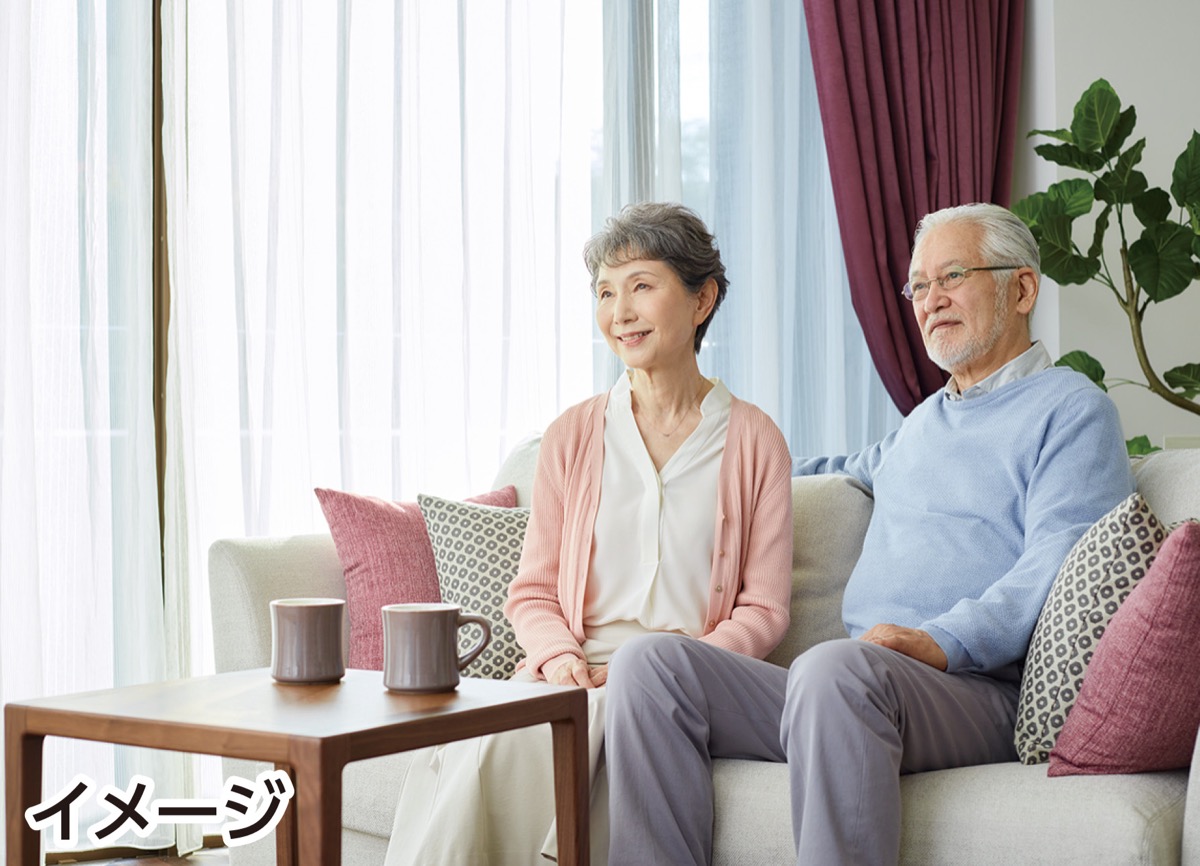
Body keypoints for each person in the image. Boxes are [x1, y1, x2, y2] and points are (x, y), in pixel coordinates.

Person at [604, 202, 1136, 865]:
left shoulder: (1072, 410)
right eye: (919, 286)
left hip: (974, 688)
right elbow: (833, 470)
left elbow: (1057, 561)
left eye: (952, 276)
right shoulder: (924, 421)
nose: (931, 300)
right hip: (849, 688)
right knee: (651, 666)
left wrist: (941, 640)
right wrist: (702, 463)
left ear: (1021, 288)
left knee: (835, 669)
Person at [383, 201, 794, 865]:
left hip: (678, 679)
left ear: (701, 299)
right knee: (487, 739)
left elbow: (765, 607)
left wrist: (693, 663)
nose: (619, 312)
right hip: (571, 669)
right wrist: (561, 658)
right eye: (605, 292)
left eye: (641, 286)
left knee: (584, 731)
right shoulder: (572, 435)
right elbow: (534, 591)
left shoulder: (754, 440)